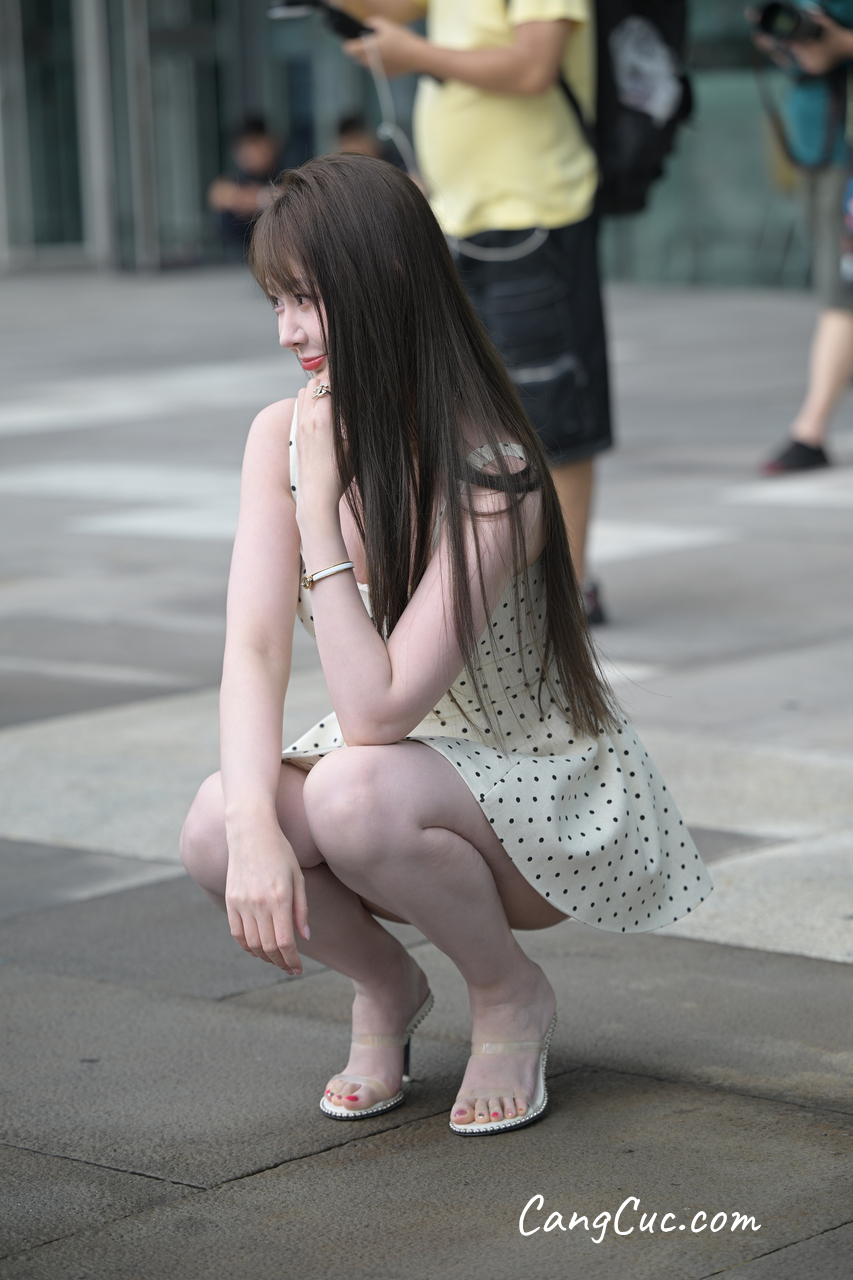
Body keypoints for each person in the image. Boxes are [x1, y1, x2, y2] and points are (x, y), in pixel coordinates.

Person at [179, 155, 711, 1134]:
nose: (287, 331)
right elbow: (253, 648)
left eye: (307, 298)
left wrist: (322, 518)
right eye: (276, 302)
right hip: (396, 768)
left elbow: (378, 711)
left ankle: (507, 989)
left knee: (350, 789)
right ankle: (385, 984)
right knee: (216, 821)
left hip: (534, 787)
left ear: (386, 281)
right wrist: (253, 824)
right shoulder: (277, 436)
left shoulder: (493, 472)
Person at [340, 0, 612, 622]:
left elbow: (534, 67)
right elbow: (386, 7)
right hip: (457, 217)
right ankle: (498, 580)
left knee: (549, 404)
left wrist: (414, 54)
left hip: (531, 214)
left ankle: (568, 590)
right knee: (459, 401)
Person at [752, 5, 853, 474]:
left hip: (843, 158)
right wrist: (785, 42)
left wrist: (840, 44)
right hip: (817, 149)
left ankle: (810, 430)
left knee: (842, 294)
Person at [207, 116, 284, 254]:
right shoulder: (236, 178)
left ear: (270, 142)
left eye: (253, 143)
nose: (247, 152)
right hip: (238, 258)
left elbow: (291, 193)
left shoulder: (288, 171)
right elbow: (218, 194)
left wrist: (259, 198)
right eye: (241, 146)